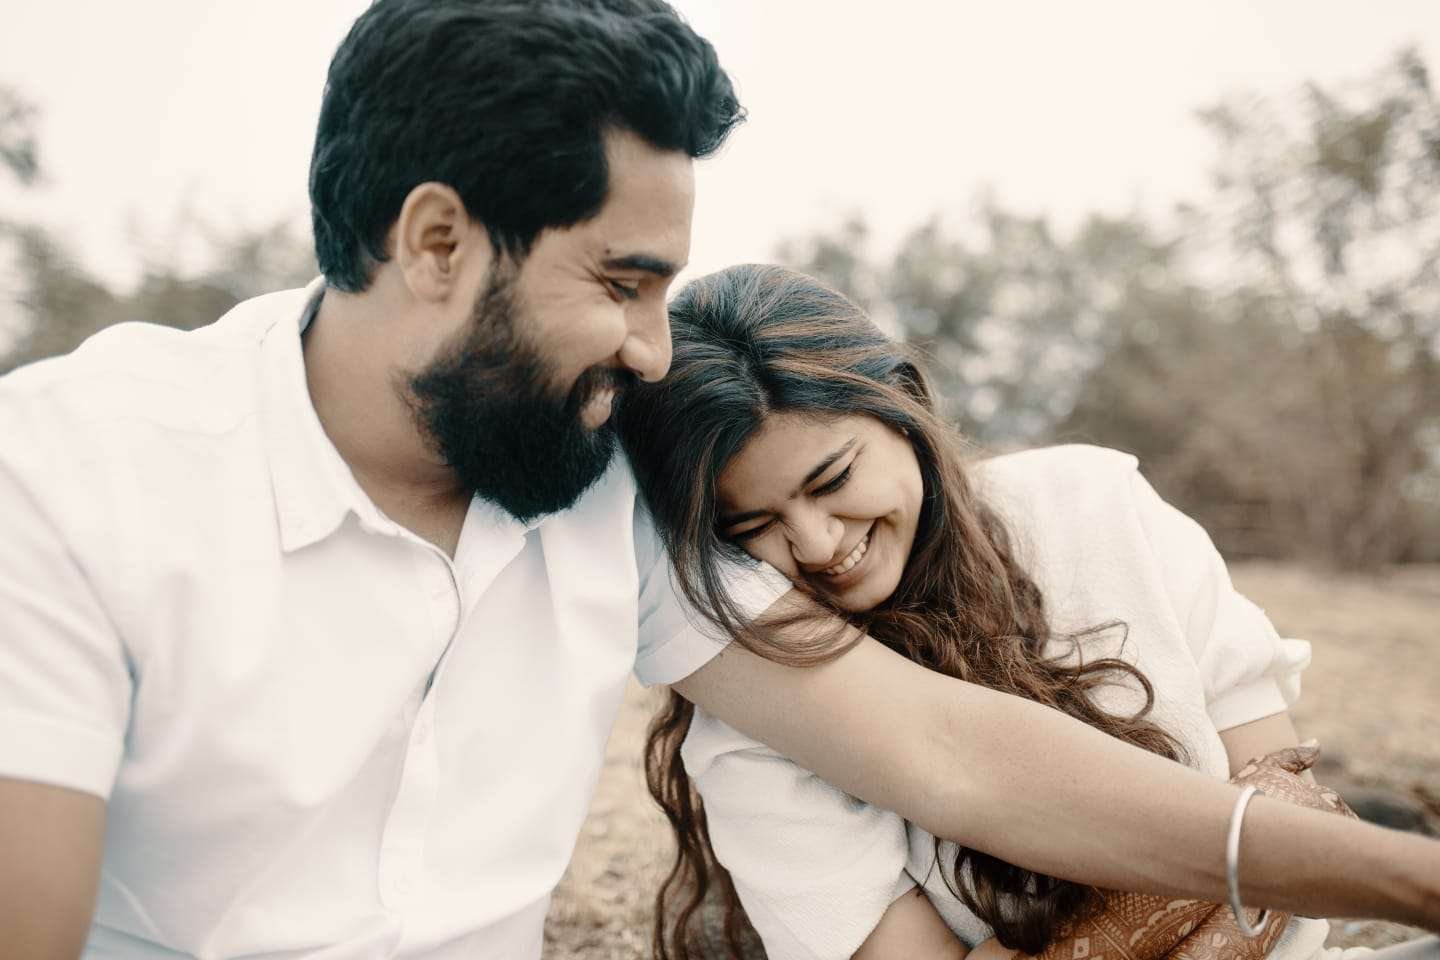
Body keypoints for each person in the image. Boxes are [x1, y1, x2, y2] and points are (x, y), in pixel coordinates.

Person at [0, 2, 1434, 958]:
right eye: (622, 283)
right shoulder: (67, 479)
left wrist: (1407, 880)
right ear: (438, 243)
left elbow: (943, 751)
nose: (651, 347)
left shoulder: (609, 491)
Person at [615, 264, 1440, 960]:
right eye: (751, 526)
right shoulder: (754, 721)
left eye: (832, 481)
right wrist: (1204, 870)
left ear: (903, 404)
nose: (817, 543)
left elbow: (1290, 794)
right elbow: (1271, 826)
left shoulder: (1094, 505)